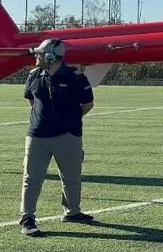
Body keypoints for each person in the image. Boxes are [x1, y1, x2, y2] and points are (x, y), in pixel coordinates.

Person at [19, 38, 95, 237]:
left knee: (71, 177)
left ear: (51, 56)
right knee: (31, 178)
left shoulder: (75, 77)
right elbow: (31, 100)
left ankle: (72, 212)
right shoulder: (34, 76)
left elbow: (88, 104)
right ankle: (27, 218)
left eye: (40, 53)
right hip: (37, 136)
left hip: (68, 135)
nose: (36, 56)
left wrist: (68, 121)